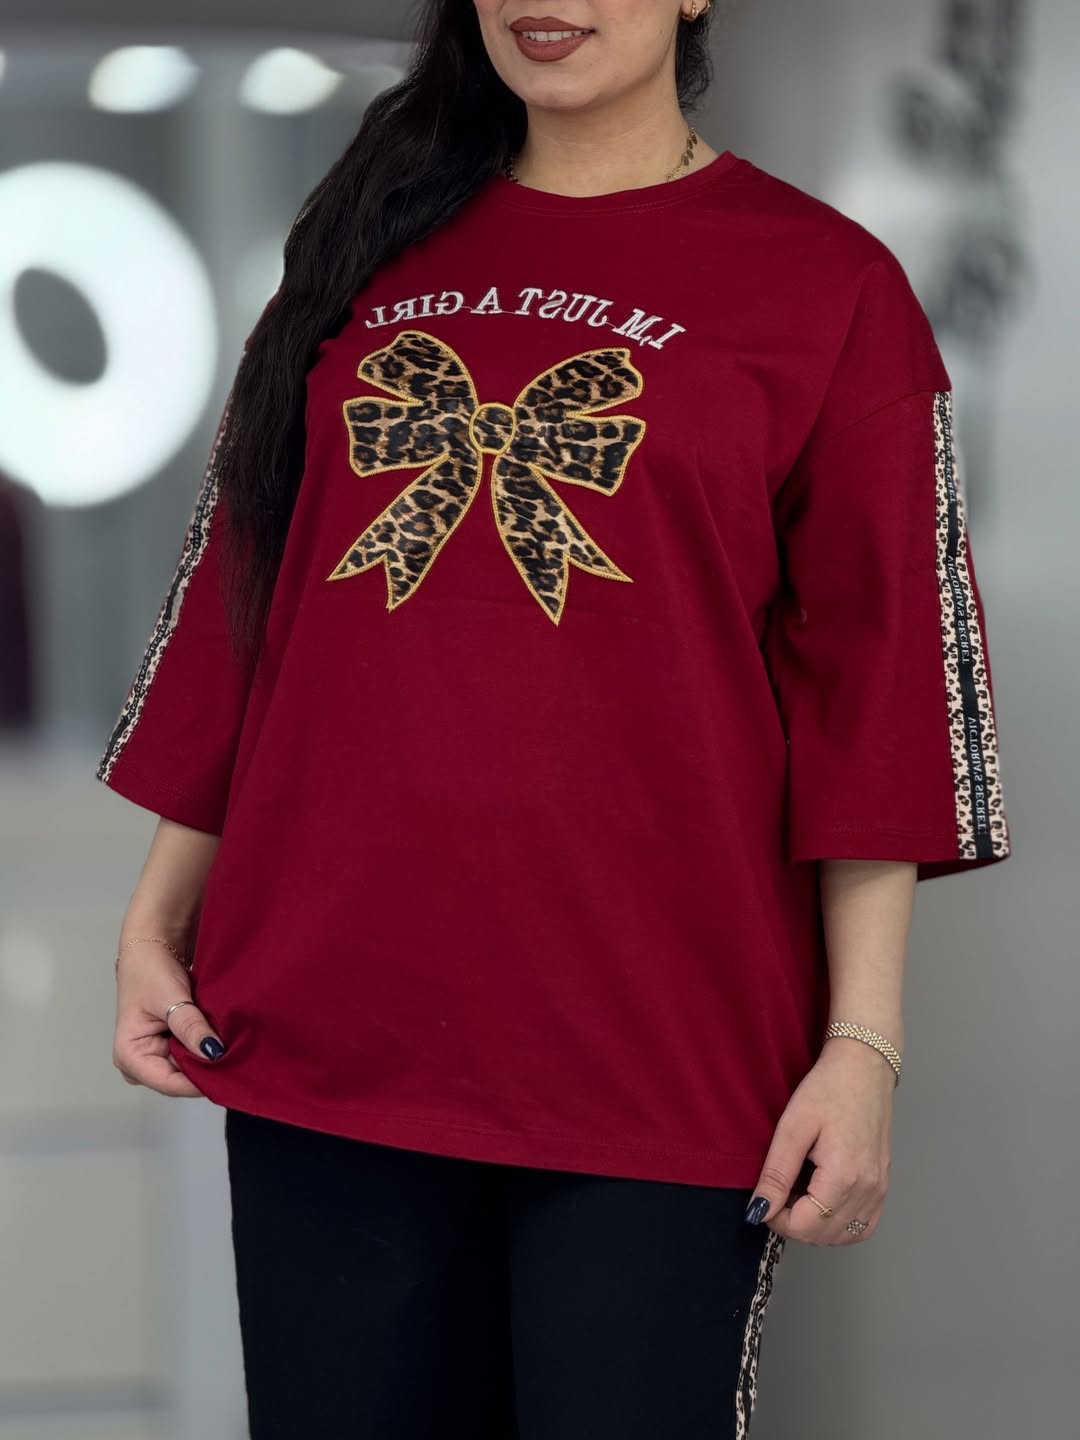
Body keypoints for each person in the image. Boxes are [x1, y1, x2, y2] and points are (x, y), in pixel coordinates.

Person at [100, 3, 1011, 1437]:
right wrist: (159, 916)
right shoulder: (360, 246)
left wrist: (864, 1042)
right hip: (331, 1025)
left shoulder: (830, 285)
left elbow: (880, 686)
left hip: (658, 1049)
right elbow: (249, 592)